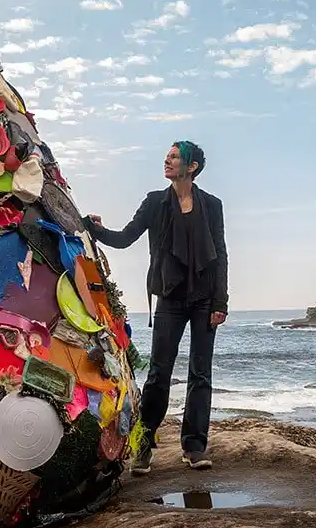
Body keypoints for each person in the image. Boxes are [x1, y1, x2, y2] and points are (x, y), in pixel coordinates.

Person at [83, 141, 228, 474]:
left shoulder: (212, 205)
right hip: (170, 297)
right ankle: (145, 445)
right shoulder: (155, 202)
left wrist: (221, 301)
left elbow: (220, 253)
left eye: (175, 156)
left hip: (205, 298)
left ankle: (194, 447)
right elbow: (125, 238)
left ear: (191, 167)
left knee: (200, 374)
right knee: (159, 374)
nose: (167, 159)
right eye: (168, 155)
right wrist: (96, 228)